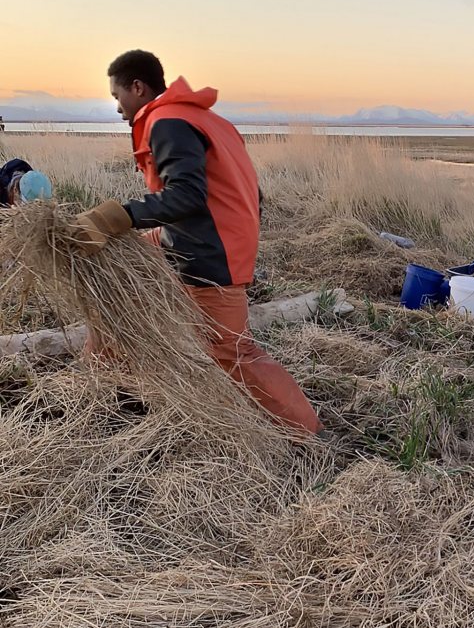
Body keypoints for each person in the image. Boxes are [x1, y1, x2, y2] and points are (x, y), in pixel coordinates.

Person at [71, 49, 323, 437]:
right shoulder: (205, 118)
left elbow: (187, 195)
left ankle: (308, 436)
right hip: (207, 239)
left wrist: (112, 218)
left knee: (233, 354)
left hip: (209, 252)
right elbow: (255, 193)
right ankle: (114, 387)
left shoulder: (167, 121)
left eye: (117, 96)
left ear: (137, 87)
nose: (117, 107)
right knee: (115, 281)